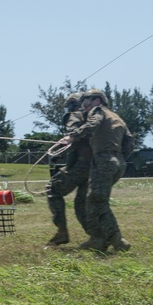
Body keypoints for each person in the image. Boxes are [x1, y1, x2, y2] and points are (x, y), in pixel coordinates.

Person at [63, 88, 134, 253]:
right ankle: (99, 239)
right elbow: (129, 143)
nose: (84, 105)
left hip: (103, 160)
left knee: (96, 201)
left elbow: (92, 124)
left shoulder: (98, 111)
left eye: (87, 101)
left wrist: (73, 135)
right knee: (94, 200)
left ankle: (115, 240)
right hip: (118, 163)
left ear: (97, 100)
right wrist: (117, 157)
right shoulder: (117, 117)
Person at [44, 92, 92, 247]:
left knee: (53, 189)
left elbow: (74, 137)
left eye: (70, 104)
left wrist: (58, 153)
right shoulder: (95, 117)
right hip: (96, 165)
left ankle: (61, 232)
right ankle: (97, 236)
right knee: (81, 203)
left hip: (81, 164)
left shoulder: (74, 116)